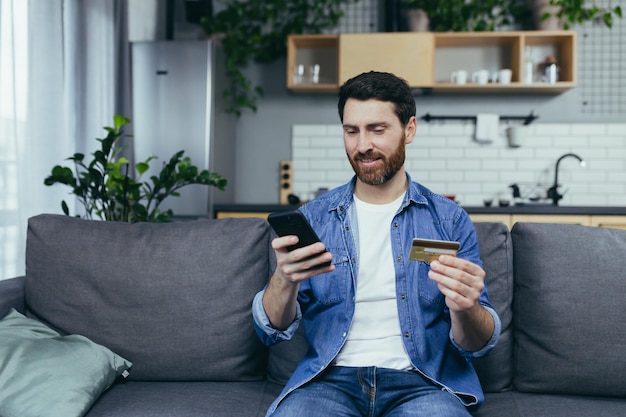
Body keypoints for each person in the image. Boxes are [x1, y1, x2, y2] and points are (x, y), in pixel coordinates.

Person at [252, 71, 501, 417]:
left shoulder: (449, 220)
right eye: (351, 131)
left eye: (377, 129)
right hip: (330, 383)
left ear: (409, 129)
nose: (362, 145)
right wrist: (284, 279)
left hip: (423, 384)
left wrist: (465, 307)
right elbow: (271, 331)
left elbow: (479, 345)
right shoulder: (315, 219)